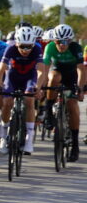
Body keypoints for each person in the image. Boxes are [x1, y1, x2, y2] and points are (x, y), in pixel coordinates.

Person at [0, 26, 47, 154]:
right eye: (22, 46)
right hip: (13, 77)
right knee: (7, 103)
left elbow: (40, 71)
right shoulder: (10, 49)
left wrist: (38, 87)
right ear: (16, 43)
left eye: (29, 46)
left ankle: (29, 138)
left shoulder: (37, 49)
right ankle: (4, 135)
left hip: (29, 77)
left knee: (29, 100)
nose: (26, 50)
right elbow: (1, 70)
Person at [43, 24, 84, 161]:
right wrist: (41, 86)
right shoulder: (50, 47)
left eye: (65, 42)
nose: (61, 45)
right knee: (53, 78)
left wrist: (80, 88)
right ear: (54, 41)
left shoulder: (75, 48)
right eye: (58, 42)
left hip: (72, 76)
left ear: (70, 41)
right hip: (57, 72)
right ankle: (48, 110)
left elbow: (81, 70)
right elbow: (44, 68)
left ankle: (75, 144)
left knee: (73, 105)